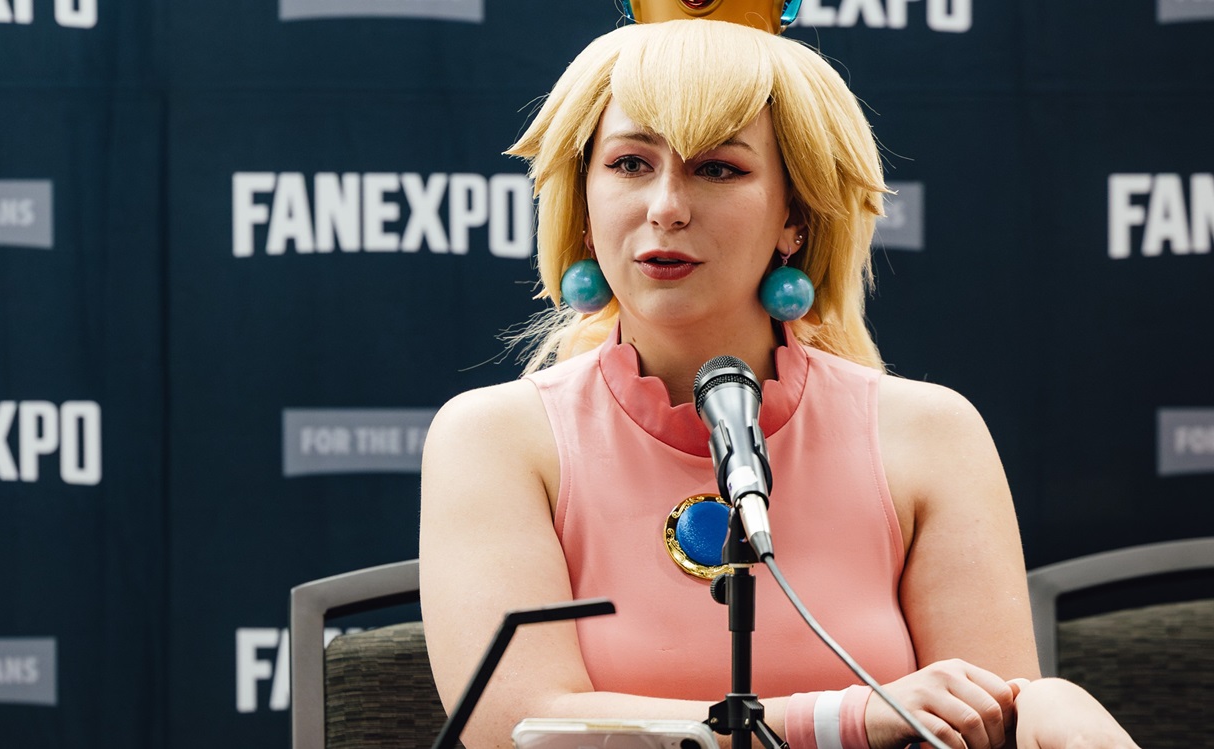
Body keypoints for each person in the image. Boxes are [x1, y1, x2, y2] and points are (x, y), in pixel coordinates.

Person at [420, 14, 1137, 749]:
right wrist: (851, 716)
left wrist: (1051, 709)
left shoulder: (930, 435)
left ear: (793, 215)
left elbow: (988, 723)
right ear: (583, 204)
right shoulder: (495, 438)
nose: (666, 205)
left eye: (718, 168)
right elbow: (517, 725)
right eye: (632, 163)